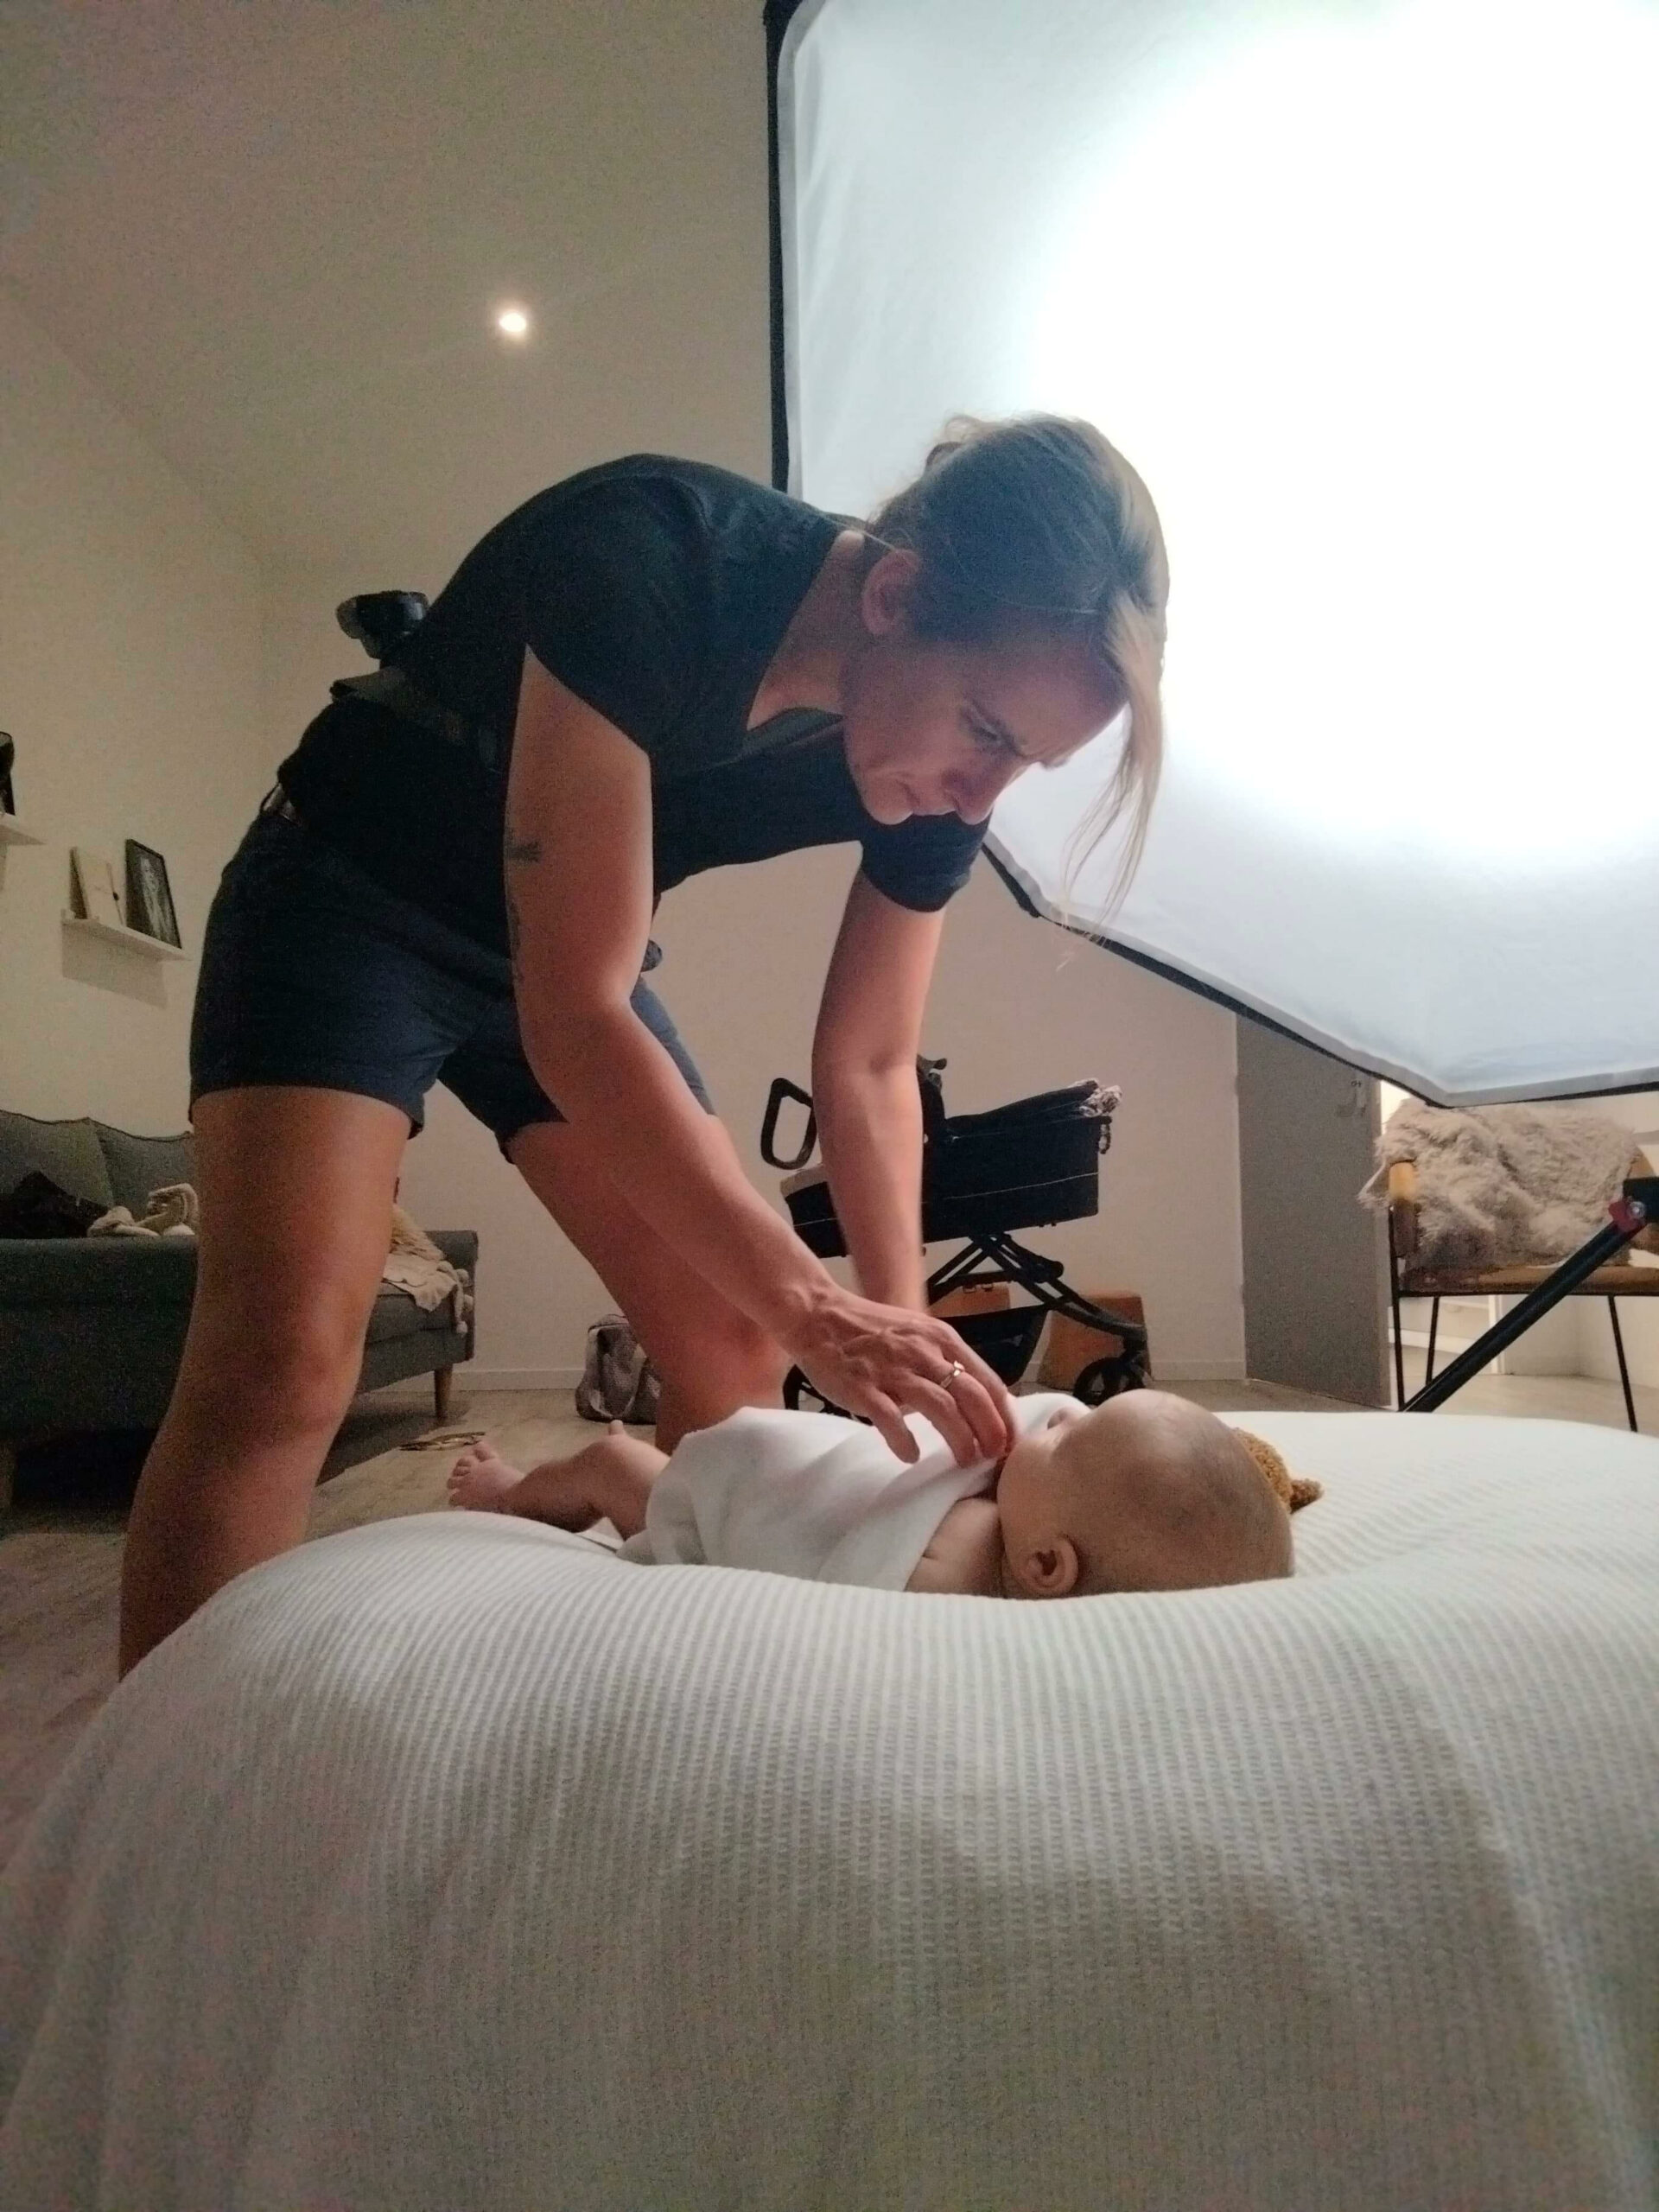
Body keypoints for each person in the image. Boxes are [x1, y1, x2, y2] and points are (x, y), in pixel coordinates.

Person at [119, 416, 1169, 1673]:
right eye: (989, 734)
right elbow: (579, 1014)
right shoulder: (655, 556)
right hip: (350, 897)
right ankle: (161, 1801)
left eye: (1029, 767)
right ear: (894, 595)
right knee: (285, 1351)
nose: (981, 797)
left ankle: (661, 1692)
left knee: (727, 1340)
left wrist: (894, 1331)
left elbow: (873, 1064)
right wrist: (812, 1305)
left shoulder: (932, 779)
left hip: (558, 954)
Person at [443, 1391, 1305, 1598]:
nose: (1054, 1413)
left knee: (610, 1462)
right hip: (799, 1460)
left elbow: (855, 1605)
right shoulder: (1046, 1516)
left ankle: (510, 1494)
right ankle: (518, 1488)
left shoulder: (962, 1557)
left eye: (1065, 1434)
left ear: (1047, 1564)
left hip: (723, 1504)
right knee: (620, 1460)